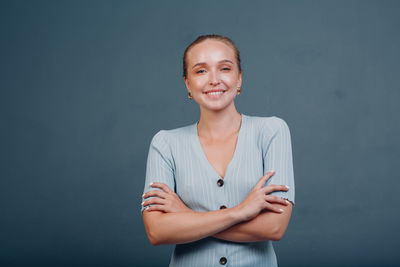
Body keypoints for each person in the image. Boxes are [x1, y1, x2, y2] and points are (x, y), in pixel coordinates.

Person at [141, 34, 295, 267]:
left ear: (239, 77)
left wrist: (186, 216)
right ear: (187, 83)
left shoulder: (272, 131)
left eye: (224, 68)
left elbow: (274, 227)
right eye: (201, 71)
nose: (214, 80)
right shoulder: (165, 144)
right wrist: (241, 212)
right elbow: (157, 232)